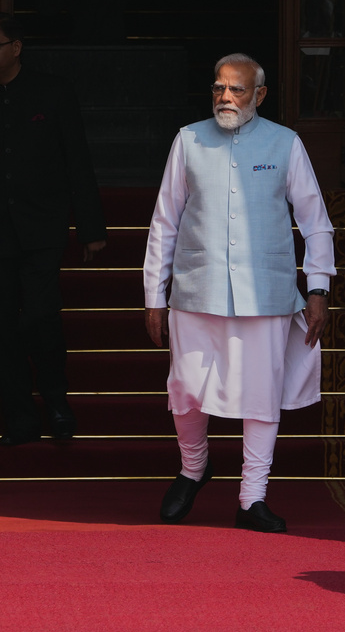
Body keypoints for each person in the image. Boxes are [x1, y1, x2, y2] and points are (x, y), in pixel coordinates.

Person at [143, 53, 335, 533]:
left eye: (237, 89)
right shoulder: (188, 139)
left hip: (265, 292)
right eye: (218, 88)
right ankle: (194, 466)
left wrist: (318, 289)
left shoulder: (284, 142)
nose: (225, 98)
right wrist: (153, 293)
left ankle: (252, 498)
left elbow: (315, 223)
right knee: (185, 391)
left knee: (260, 396)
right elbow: (164, 221)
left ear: (260, 95)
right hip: (195, 288)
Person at [0, 12, 107, 446]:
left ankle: (57, 403)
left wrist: (91, 227)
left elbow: (77, 159)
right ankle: (20, 416)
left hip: (43, 229)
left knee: (40, 318)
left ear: (16, 47)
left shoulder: (52, 93)